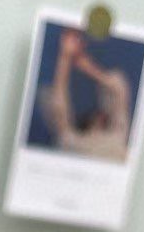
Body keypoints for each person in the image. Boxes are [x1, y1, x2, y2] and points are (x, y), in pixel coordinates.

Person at [44, 27, 132, 162]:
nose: (101, 115)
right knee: (46, 95)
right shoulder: (74, 142)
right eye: (97, 115)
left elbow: (120, 89)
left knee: (115, 76)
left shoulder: (117, 135)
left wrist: (85, 66)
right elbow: (59, 107)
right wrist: (65, 57)